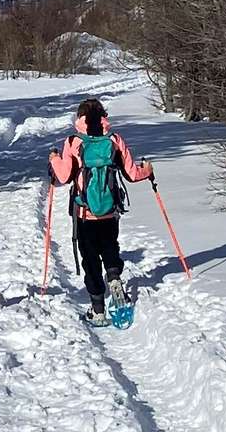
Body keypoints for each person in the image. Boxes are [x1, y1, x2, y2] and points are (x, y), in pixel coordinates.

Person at [47, 98, 154, 322]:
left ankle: (98, 309)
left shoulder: (74, 142)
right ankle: (114, 276)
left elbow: (65, 176)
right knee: (109, 247)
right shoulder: (114, 140)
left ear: (80, 118)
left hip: (84, 213)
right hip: (109, 210)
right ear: (104, 116)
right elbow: (132, 174)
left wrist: (55, 159)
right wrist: (148, 170)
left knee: (91, 260)